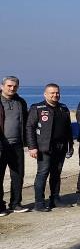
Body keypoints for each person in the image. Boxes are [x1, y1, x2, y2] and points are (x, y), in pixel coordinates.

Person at [26, 84, 72, 211]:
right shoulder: (37, 108)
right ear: (45, 94)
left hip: (61, 147)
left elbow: (68, 129)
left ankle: (55, 199)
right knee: (43, 173)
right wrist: (32, 146)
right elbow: (30, 127)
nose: (55, 95)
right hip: (43, 148)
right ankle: (39, 203)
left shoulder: (63, 108)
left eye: (57, 93)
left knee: (56, 174)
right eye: (52, 93)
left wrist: (70, 146)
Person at [0, 75, 30, 214]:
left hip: (17, 145)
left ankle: (15, 203)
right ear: (2, 86)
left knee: (18, 175)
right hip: (1, 145)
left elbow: (27, 123)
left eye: (15, 86)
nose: (12, 88)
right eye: (9, 86)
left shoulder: (21, 102)